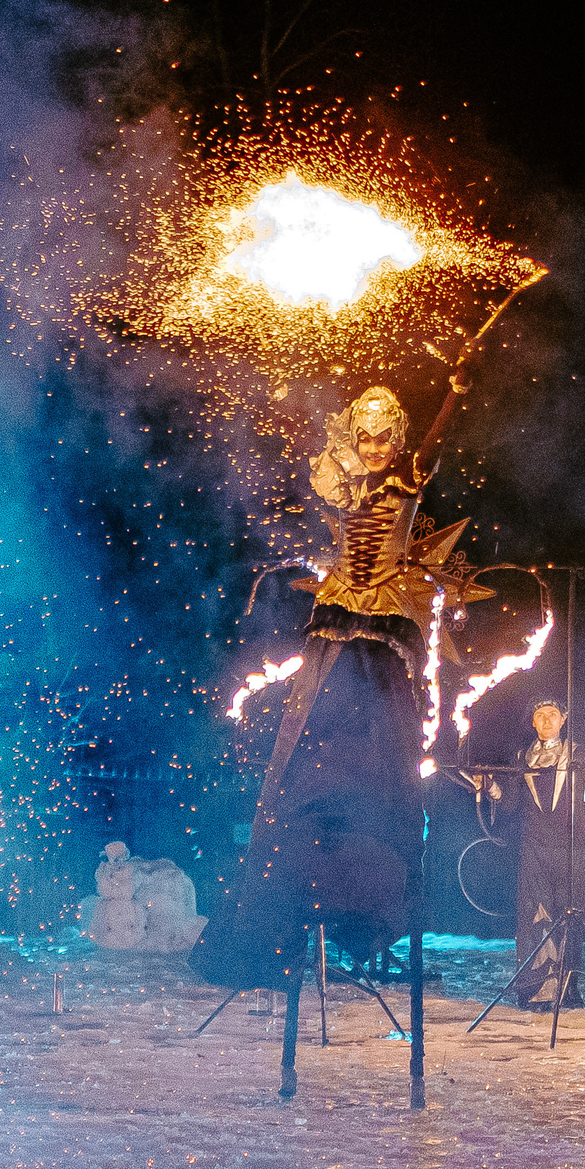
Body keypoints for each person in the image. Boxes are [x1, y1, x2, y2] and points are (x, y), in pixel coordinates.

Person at [192, 383, 488, 994]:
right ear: (352, 440)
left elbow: (427, 461)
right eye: (366, 438)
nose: (377, 447)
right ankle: (281, 917)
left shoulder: (405, 483)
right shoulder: (341, 488)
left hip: (384, 623)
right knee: (306, 747)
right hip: (334, 619)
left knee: (381, 746)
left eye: (386, 438)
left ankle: (369, 916)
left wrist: (453, 396)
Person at [499, 698, 585, 1009]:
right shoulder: (522, 758)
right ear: (533, 723)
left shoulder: (578, 755)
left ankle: (567, 990)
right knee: (535, 914)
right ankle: (536, 990)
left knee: (570, 913)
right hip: (534, 847)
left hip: (571, 848)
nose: (547, 721)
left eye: (553, 715)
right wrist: (491, 789)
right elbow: (510, 805)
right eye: (540, 716)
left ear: (563, 719)